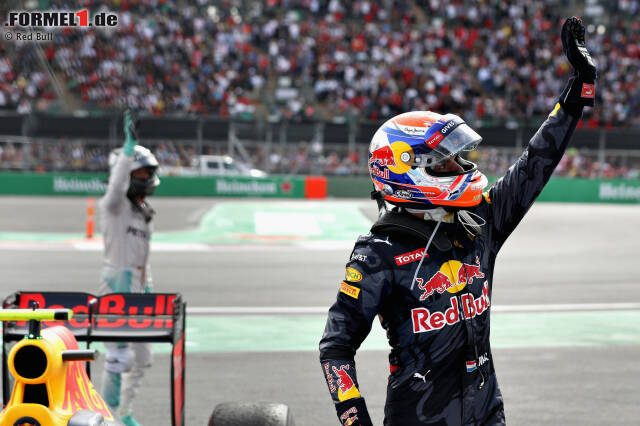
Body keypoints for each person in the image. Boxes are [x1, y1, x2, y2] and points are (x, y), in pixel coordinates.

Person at [319, 17, 596, 426]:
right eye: (446, 160)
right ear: (409, 169)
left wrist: (579, 91)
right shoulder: (377, 256)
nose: (462, 165)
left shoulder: (479, 222)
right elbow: (336, 349)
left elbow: (535, 164)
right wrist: (353, 417)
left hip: (487, 413)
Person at [99, 110, 160, 426]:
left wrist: (148, 287)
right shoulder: (115, 206)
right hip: (115, 288)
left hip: (138, 289)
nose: (146, 178)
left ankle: (124, 413)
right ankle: (107, 415)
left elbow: (143, 259)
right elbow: (117, 186)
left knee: (144, 358)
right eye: (140, 173)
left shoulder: (142, 213)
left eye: (149, 172)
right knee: (118, 356)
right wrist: (127, 150)